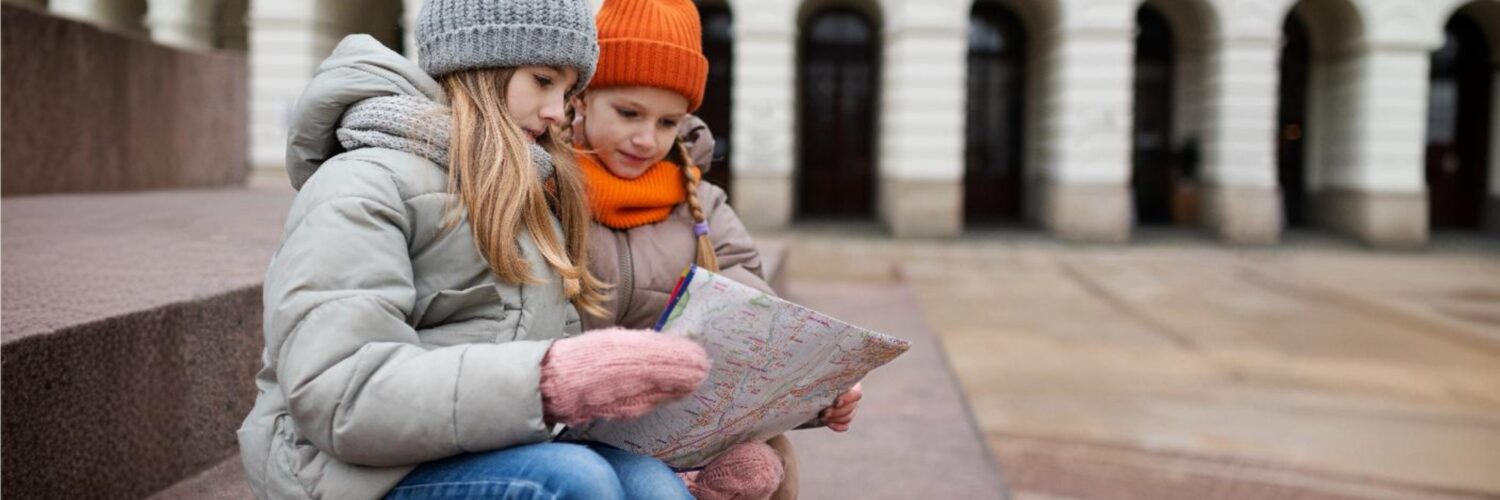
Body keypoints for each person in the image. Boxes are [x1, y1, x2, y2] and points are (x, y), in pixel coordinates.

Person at [236, 0, 711, 498]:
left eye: (568, 92)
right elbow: (340, 393)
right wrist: (548, 382)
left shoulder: (527, 189)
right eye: (543, 81)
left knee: (653, 484)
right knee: (574, 481)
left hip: (482, 441)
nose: (557, 112)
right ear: (481, 63)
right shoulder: (362, 183)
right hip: (346, 471)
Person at [568, 1, 862, 498]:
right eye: (628, 113)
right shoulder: (541, 191)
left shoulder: (703, 204)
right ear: (582, 98)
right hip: (568, 432)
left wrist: (822, 393)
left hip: (679, 437)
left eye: (668, 122)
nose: (646, 139)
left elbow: (761, 327)